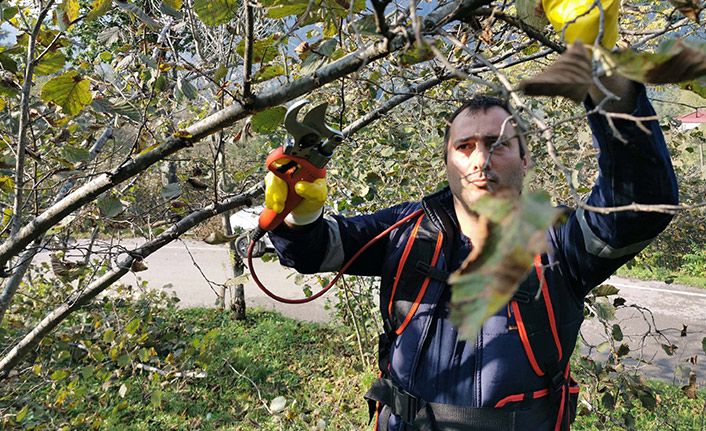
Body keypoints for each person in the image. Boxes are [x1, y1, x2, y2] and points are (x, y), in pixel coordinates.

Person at [264, 74, 679, 431]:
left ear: (525, 159)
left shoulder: (559, 240)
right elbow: (316, 250)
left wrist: (608, 81)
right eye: (464, 147)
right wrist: (302, 213)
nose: (481, 159)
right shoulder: (405, 230)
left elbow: (640, 205)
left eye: (498, 145)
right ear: (447, 161)